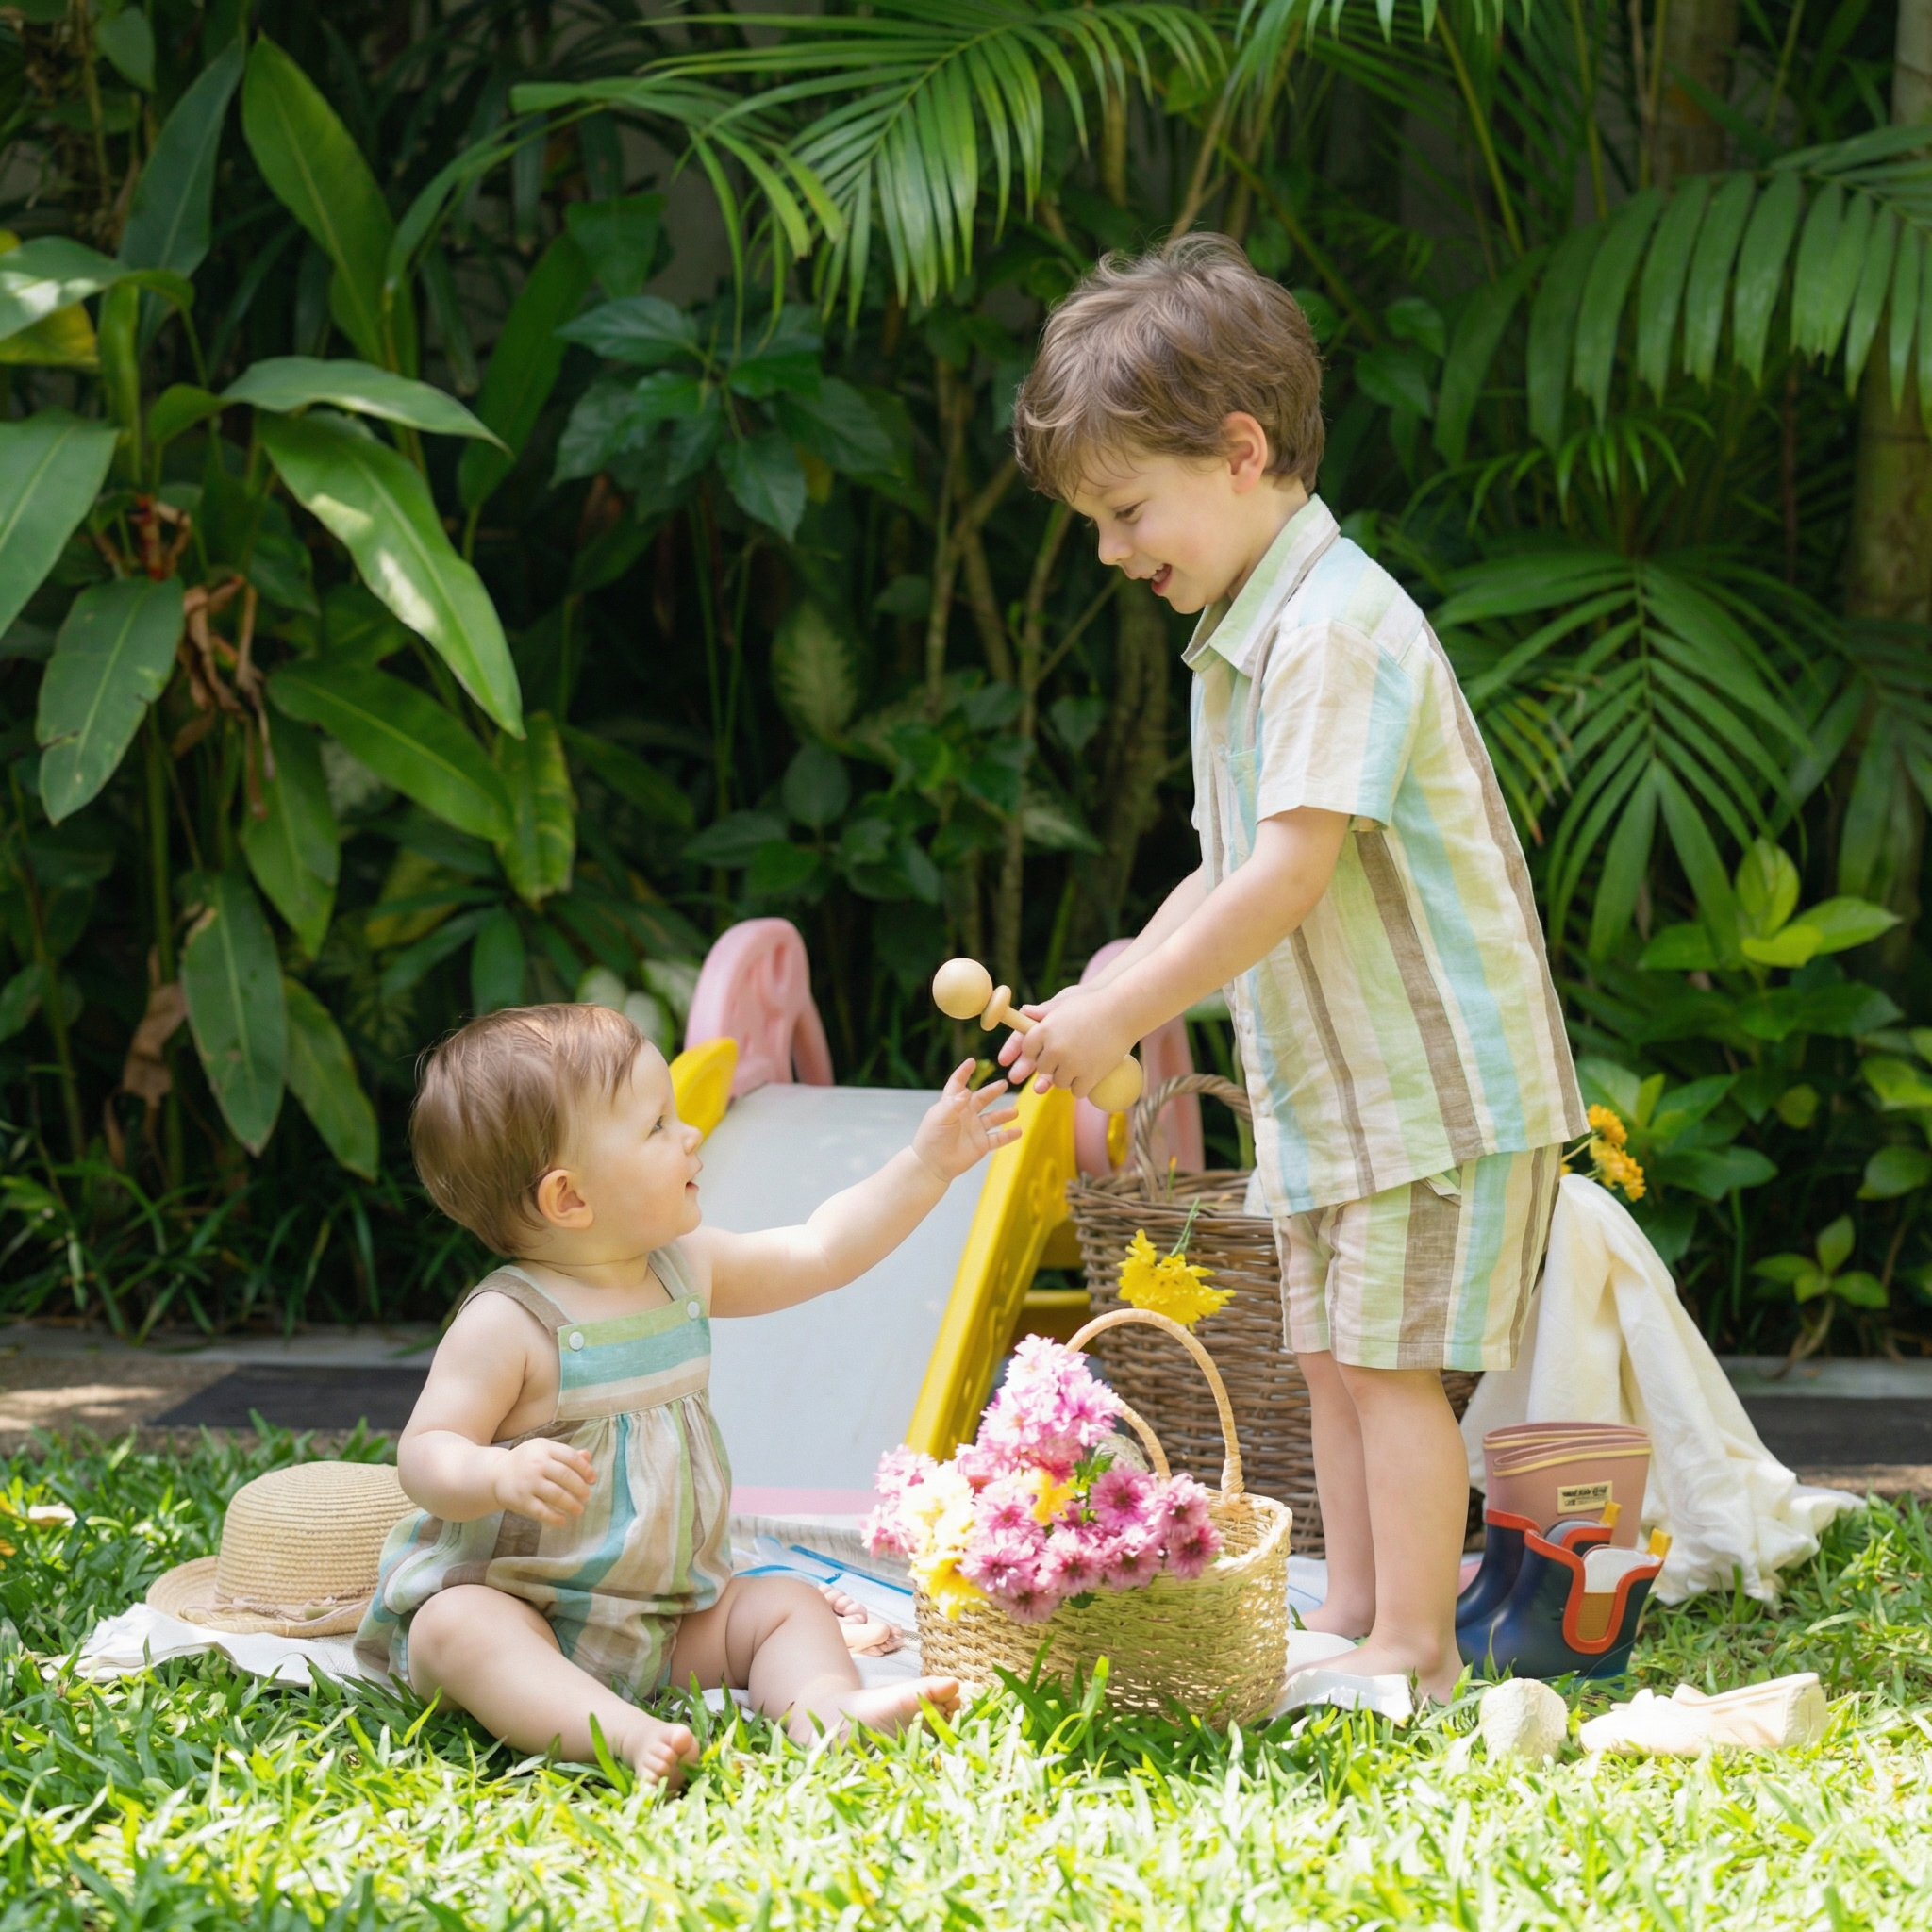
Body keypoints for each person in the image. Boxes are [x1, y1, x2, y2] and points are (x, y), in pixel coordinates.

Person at [1001, 235, 1585, 1703]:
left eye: (1128, 509)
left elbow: (1289, 874)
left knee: (1388, 1370)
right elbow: (1227, 866)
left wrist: (1125, 1010)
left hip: (1432, 1095)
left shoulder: (1331, 631)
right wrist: (1104, 991)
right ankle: (1358, 1606)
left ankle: (1416, 1652)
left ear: (1241, 451)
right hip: (1346, 1092)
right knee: (1332, 1359)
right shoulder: (1244, 639)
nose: (1112, 550)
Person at [356, 1003, 1014, 1782]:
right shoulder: (509, 1323)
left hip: (665, 1618)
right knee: (456, 1630)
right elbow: (425, 1454)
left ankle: (825, 1710)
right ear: (569, 1199)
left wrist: (926, 1165)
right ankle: (614, 1732)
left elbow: (820, 1249)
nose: (691, 1135)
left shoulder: (683, 1267)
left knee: (787, 1605)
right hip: (524, 1609)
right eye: (657, 1126)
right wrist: (496, 1474)